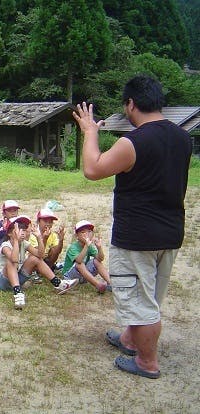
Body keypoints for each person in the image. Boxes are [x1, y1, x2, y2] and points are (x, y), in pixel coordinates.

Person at [72, 75, 192, 379]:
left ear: (131, 104)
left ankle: (147, 362)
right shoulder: (183, 138)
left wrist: (90, 132)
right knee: (149, 294)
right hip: (171, 232)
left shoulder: (133, 141)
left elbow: (92, 169)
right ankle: (129, 339)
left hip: (138, 236)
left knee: (139, 302)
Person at [0, 215, 79, 299]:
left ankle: (59, 284)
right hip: (2, 282)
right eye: (18, 230)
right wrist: (16, 241)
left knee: (35, 259)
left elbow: (40, 255)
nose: (22, 233)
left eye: (24, 230)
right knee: (11, 262)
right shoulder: (6, 245)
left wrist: (39, 237)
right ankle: (18, 294)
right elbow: (14, 259)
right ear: (9, 233)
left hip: (17, 279)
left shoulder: (24, 243)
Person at [62, 220, 111, 293]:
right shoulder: (73, 247)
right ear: (77, 236)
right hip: (70, 277)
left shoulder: (90, 246)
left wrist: (99, 248)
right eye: (83, 232)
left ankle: (111, 283)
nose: (87, 234)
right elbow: (79, 261)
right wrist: (86, 246)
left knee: (96, 261)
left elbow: (100, 259)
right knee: (80, 264)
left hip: (83, 275)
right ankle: (98, 285)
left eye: (89, 231)